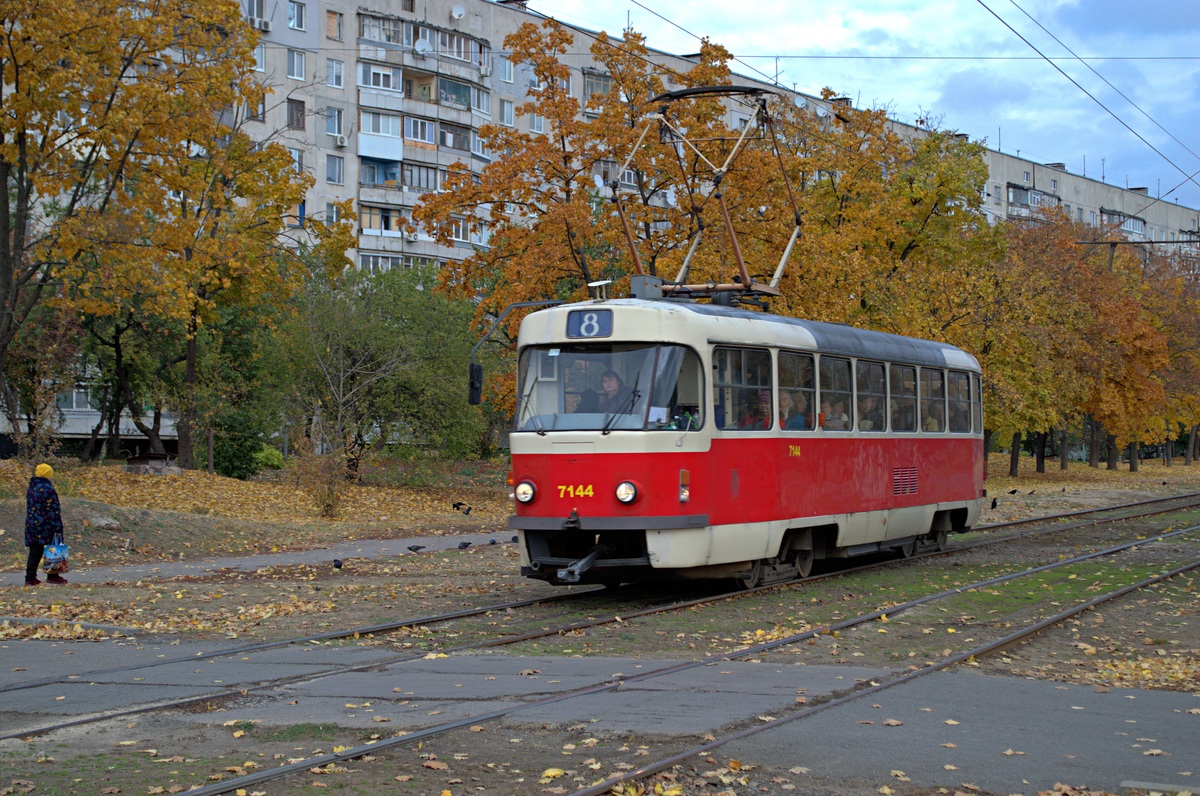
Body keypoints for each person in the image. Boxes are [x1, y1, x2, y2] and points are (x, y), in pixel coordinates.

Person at [25, 463, 66, 586]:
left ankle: (30, 578)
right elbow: (53, 509)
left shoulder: (31, 487)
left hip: (32, 524)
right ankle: (53, 575)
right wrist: (57, 526)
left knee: (35, 551)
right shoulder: (48, 489)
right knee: (55, 546)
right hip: (47, 524)